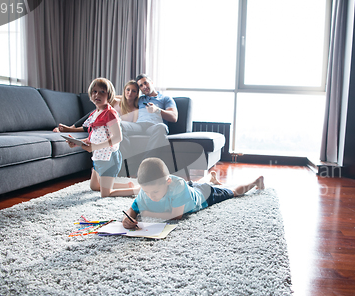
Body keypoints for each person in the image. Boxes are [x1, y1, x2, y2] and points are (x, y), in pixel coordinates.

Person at [121, 157, 264, 229]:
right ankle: (211, 177)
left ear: (167, 182)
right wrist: (127, 219)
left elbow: (176, 216)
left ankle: (255, 182)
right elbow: (133, 208)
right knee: (197, 183)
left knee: (232, 192)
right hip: (189, 189)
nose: (150, 196)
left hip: (204, 195)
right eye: (146, 192)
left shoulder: (178, 186)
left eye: (155, 192)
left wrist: (148, 214)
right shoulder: (148, 191)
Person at [66, 77, 138, 197]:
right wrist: (78, 142)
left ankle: (138, 190)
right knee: (94, 186)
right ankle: (127, 185)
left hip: (109, 158)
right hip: (98, 155)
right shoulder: (95, 113)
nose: (97, 95)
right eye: (94, 92)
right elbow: (95, 136)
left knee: (106, 194)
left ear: (109, 95)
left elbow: (117, 137)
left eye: (102, 92)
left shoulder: (110, 114)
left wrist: (95, 146)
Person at [118, 74, 178, 168]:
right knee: (119, 124)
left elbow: (174, 117)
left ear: (152, 82)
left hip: (154, 126)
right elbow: (124, 97)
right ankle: (127, 161)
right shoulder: (140, 99)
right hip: (139, 126)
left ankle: (145, 165)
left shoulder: (165, 98)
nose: (144, 87)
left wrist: (157, 110)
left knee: (162, 127)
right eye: (141, 86)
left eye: (145, 83)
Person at [53, 80, 139, 132]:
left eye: (134, 91)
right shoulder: (116, 101)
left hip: (112, 126)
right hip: (101, 120)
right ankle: (72, 127)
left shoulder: (136, 108)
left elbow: (134, 125)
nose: (130, 93)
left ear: (137, 94)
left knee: (101, 124)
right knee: (96, 113)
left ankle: (72, 129)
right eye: (128, 89)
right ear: (124, 90)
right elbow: (107, 98)